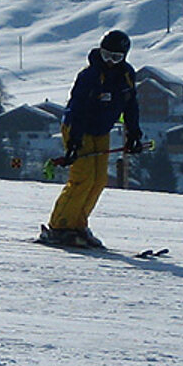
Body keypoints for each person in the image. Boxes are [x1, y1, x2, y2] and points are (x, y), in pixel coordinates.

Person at [41, 29, 142, 248]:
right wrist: (74, 141)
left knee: (98, 180)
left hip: (101, 130)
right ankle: (58, 227)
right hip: (77, 128)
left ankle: (78, 224)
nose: (110, 62)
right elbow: (77, 108)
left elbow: (130, 105)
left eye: (116, 58)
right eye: (107, 56)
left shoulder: (126, 75)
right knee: (82, 178)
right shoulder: (90, 76)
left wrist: (133, 132)